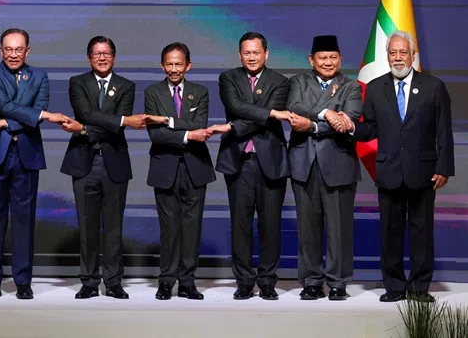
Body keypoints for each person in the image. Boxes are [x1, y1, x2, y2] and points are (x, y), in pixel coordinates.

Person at [349, 30, 454, 303]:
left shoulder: (433, 86)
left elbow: (443, 131)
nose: (398, 58)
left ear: (412, 55)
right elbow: (369, 129)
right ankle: (394, 286)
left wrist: (444, 167)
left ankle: (420, 288)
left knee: (422, 231)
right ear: (387, 56)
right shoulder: (374, 88)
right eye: (393, 53)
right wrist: (351, 127)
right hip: (389, 171)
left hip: (424, 171)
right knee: (390, 232)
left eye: (403, 52)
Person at [0, 28, 68, 299]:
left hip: (26, 154)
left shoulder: (39, 75)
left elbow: (34, 112)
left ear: (28, 51)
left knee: (24, 220)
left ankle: (23, 280)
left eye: (19, 49)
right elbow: (5, 105)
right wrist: (40, 115)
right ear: (1, 50)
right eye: (8, 49)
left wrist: (7, 122)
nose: (13, 54)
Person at [60, 36, 146, 299]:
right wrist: (115, 121)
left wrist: (86, 129)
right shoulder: (78, 82)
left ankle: (113, 282)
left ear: (114, 57)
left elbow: (113, 126)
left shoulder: (126, 86)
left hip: (114, 162)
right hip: (84, 161)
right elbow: (87, 113)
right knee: (86, 226)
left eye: (107, 53)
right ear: (89, 58)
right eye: (97, 53)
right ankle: (88, 281)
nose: (102, 57)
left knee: (113, 226)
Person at [209, 32, 290, 301]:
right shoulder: (228, 78)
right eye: (247, 52)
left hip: (271, 161)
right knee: (240, 225)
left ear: (266, 54)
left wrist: (232, 126)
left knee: (270, 225)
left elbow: (264, 119)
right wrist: (268, 112)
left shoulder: (280, 82)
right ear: (239, 55)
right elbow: (234, 105)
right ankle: (244, 281)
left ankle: (267, 281)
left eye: (256, 52)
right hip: (239, 162)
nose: (252, 57)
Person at [286, 35, 362, 301]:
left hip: (338, 163)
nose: (328, 62)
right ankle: (312, 280)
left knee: (339, 228)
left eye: (333, 57)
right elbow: (293, 106)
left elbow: (350, 118)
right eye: (322, 57)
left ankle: (338, 282)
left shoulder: (350, 86)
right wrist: (328, 113)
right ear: (311, 60)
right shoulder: (298, 82)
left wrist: (312, 125)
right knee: (307, 227)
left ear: (340, 59)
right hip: (303, 163)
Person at [143, 42, 215, 300]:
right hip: (164, 167)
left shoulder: (201, 92)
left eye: (179, 64)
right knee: (169, 227)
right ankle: (166, 281)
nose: (174, 69)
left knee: (191, 227)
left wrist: (169, 121)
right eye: (169, 64)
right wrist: (187, 133)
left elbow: (201, 126)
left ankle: (187, 282)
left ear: (188, 65)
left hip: (196, 168)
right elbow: (156, 134)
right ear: (163, 65)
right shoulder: (152, 92)